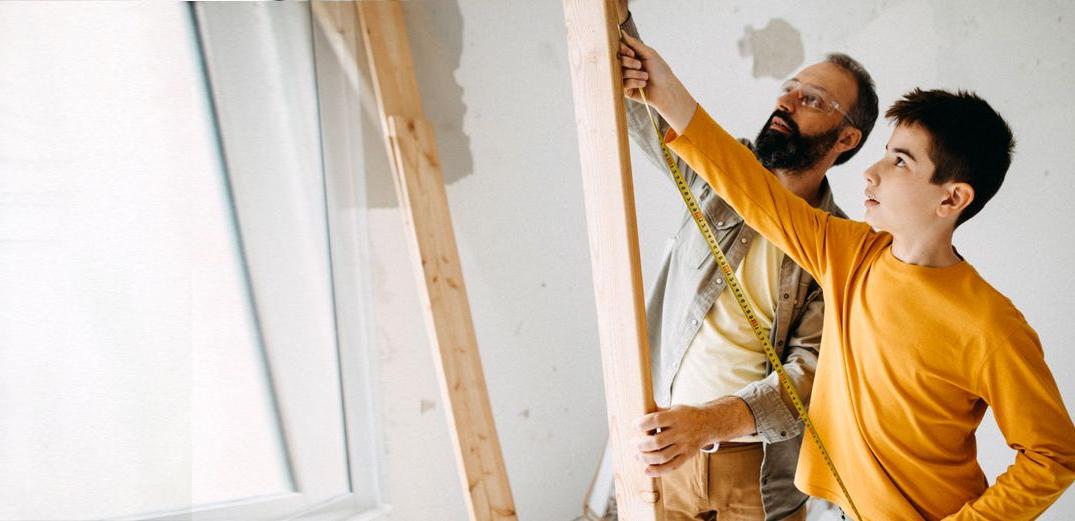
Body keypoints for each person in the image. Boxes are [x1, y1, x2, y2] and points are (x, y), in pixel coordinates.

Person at [620, 29, 1075, 520]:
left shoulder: (992, 326)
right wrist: (665, 90)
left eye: (900, 161)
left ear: (952, 198)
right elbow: (749, 186)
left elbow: (1053, 455)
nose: (871, 172)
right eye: (884, 152)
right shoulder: (848, 252)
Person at [606, 5, 878, 520]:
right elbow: (641, 108)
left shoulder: (838, 248)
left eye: (811, 99)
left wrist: (705, 424)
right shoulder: (717, 171)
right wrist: (615, 15)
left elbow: (807, 375)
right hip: (662, 458)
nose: (786, 102)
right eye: (789, 88)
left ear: (846, 139)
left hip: (759, 477)